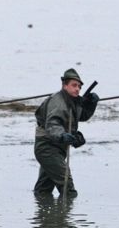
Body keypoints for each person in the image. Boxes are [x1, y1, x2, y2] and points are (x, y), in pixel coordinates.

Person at [33, 68, 99, 196]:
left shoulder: (72, 101)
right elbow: (53, 124)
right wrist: (62, 135)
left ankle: (44, 214)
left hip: (57, 148)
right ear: (64, 85)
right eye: (74, 85)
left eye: (79, 86)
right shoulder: (58, 102)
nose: (77, 89)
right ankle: (63, 214)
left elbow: (82, 115)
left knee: (43, 190)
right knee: (68, 189)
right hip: (47, 148)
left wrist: (92, 104)